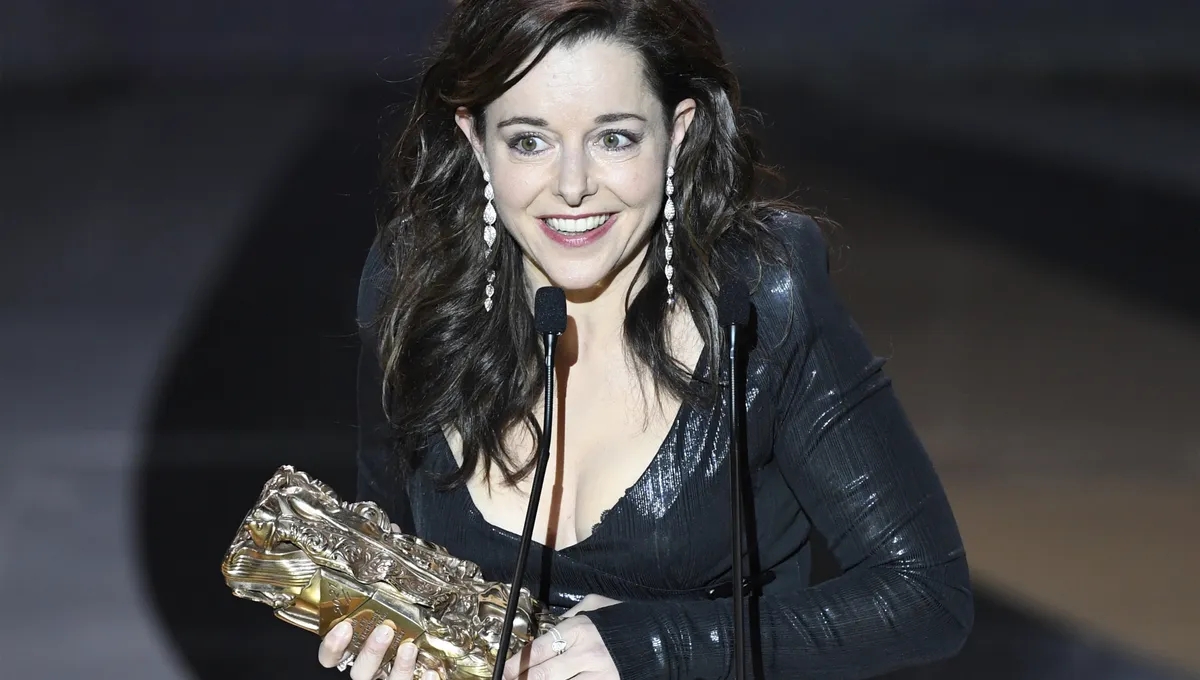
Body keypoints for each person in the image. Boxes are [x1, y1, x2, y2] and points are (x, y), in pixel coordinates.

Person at [318, 0, 974, 678]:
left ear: (677, 132)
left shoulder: (759, 301)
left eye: (614, 138)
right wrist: (380, 632)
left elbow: (926, 596)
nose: (572, 187)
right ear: (476, 140)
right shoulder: (415, 288)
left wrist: (659, 648)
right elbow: (383, 545)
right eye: (529, 142)